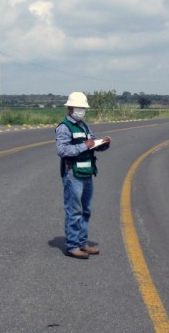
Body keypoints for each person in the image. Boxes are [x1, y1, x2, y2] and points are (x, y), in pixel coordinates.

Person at [56, 91, 112, 259]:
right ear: (70, 108)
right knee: (74, 211)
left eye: (83, 108)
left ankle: (82, 243)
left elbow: (91, 143)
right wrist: (84, 146)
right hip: (72, 173)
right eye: (79, 108)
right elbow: (62, 150)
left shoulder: (84, 126)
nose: (81, 111)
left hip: (87, 172)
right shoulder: (64, 127)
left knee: (86, 210)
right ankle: (72, 246)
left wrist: (103, 144)